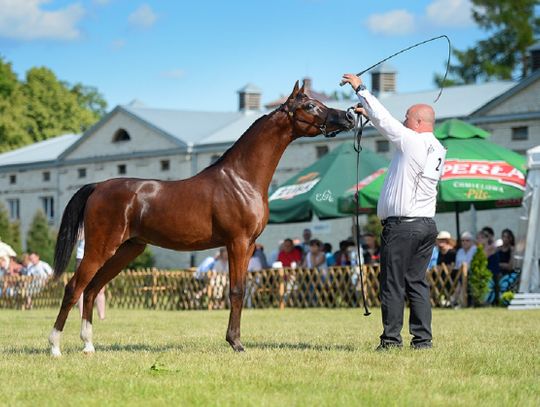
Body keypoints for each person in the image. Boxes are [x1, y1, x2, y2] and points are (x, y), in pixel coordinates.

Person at [342, 73, 445, 350]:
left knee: (392, 283)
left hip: (403, 227)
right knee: (417, 283)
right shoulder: (436, 147)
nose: (404, 121)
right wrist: (372, 116)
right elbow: (388, 125)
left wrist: (360, 88)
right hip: (425, 225)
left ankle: (390, 340)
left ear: (420, 123)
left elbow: (389, 123)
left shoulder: (412, 141)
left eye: (408, 118)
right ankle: (423, 340)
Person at [76, 237, 106, 320]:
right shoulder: (81, 224)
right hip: (82, 256)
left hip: (99, 256)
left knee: (101, 288)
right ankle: (83, 316)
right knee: (81, 289)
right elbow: (78, 236)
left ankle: (102, 317)